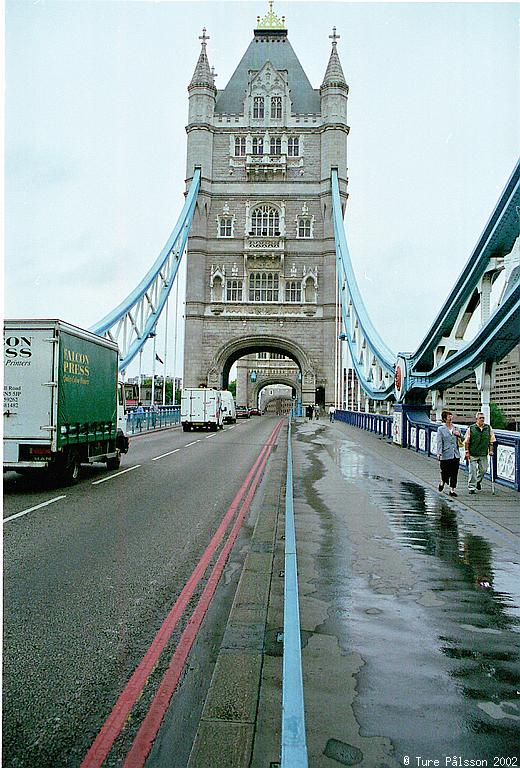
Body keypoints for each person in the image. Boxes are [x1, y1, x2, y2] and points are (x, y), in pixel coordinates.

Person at [464, 412, 496, 494]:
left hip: (483, 453)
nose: (482, 419)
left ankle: (477, 481)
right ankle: (471, 487)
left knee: (483, 470)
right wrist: (467, 451)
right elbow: (467, 441)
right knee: (473, 471)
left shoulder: (488, 428)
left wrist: (491, 450)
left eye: (483, 418)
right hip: (473, 452)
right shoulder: (471, 428)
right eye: (480, 418)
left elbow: (491, 441)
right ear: (476, 419)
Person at [436, 410, 462, 497]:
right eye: (448, 416)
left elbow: (463, 440)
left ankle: (452, 490)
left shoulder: (456, 428)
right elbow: (439, 442)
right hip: (445, 453)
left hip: (455, 453)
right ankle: (443, 481)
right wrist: (439, 453)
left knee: (454, 472)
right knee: (445, 471)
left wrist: (459, 435)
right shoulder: (441, 429)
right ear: (444, 418)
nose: (450, 418)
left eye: (451, 416)